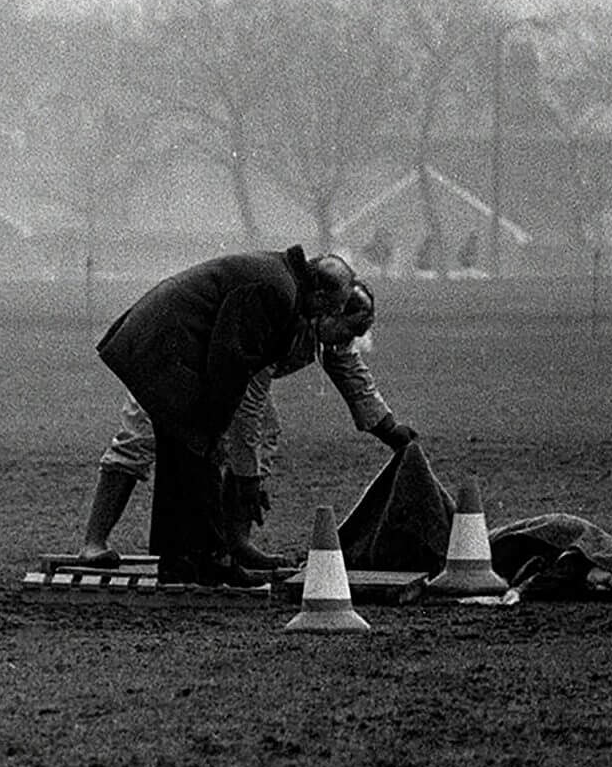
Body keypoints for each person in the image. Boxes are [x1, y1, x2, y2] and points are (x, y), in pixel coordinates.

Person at [75, 279, 418, 570]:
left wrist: (389, 429)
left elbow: (351, 375)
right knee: (140, 437)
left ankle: (234, 542)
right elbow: (247, 407)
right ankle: (94, 542)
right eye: (350, 329)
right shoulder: (280, 316)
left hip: (226, 373)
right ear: (329, 310)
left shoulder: (326, 326)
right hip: (178, 355)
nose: (348, 340)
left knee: (263, 433)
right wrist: (248, 478)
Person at [93, 246, 356, 587]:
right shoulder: (276, 291)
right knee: (197, 449)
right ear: (319, 292)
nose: (328, 315)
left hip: (167, 343)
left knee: (185, 450)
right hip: (168, 347)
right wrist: (216, 429)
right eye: (332, 307)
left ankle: (181, 562)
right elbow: (231, 360)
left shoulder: (283, 281)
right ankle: (212, 560)